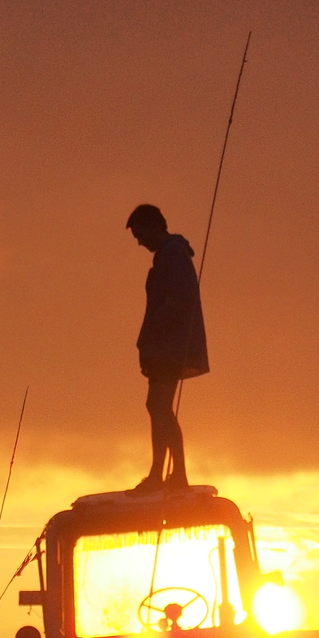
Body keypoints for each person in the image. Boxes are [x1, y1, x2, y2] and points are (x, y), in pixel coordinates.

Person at [126, 203, 208, 491]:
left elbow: (178, 302)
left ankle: (172, 475)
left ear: (153, 226)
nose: (138, 241)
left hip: (170, 346)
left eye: (139, 233)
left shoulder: (173, 254)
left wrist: (152, 333)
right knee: (156, 405)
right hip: (165, 345)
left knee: (158, 405)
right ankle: (162, 474)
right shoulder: (167, 256)